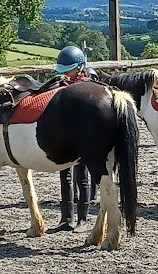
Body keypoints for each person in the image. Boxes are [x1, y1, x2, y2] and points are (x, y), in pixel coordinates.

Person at [49, 45, 91, 233]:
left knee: (81, 178)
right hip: (64, 137)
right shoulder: (62, 85)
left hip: (82, 137)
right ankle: (66, 218)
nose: (66, 74)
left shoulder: (87, 87)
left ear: (80, 67)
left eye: (69, 70)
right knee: (64, 176)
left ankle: (83, 219)